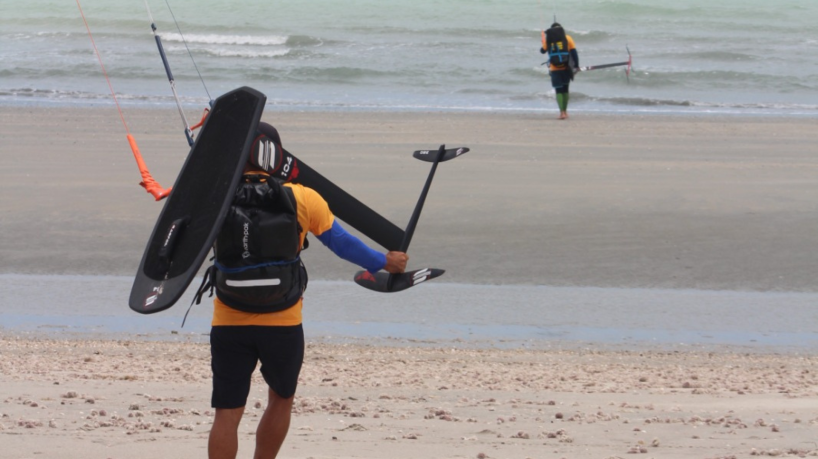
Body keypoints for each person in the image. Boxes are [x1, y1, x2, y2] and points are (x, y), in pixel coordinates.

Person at [197, 125, 408, 459]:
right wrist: (384, 261)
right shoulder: (302, 197)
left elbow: (182, 245)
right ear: (275, 154)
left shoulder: (215, 196)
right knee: (280, 399)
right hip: (283, 321)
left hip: (229, 319)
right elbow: (342, 244)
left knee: (227, 410)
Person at [540, 23, 579, 119]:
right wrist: (576, 66)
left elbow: (542, 51)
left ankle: (561, 113)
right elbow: (574, 53)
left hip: (555, 69)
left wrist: (543, 41)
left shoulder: (549, 40)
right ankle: (565, 112)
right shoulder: (568, 38)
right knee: (565, 90)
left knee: (559, 91)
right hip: (566, 67)